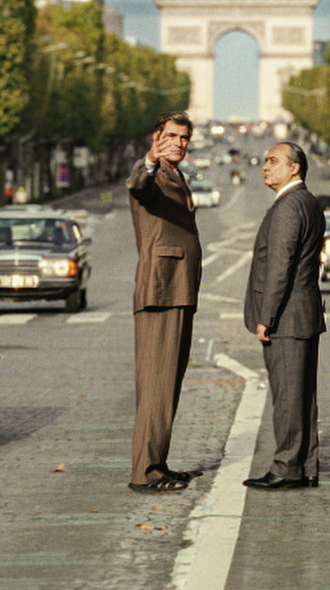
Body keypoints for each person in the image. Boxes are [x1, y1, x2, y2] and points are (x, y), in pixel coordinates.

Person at [126, 110, 202, 491]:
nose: (179, 143)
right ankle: (146, 472)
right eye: (171, 136)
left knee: (167, 384)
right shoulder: (152, 172)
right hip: (161, 289)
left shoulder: (177, 174)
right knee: (156, 384)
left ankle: (158, 462)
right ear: (156, 138)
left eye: (185, 137)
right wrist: (151, 161)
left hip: (177, 289)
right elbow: (139, 185)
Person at [243, 141, 325, 490]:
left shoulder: (288, 207)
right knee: (302, 397)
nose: (265, 167)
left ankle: (286, 467)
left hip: (287, 318)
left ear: (295, 168)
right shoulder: (308, 202)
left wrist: (267, 317)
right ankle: (305, 465)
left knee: (288, 398)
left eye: (274, 161)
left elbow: (280, 266)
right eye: (265, 161)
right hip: (303, 313)